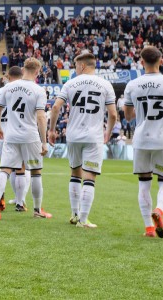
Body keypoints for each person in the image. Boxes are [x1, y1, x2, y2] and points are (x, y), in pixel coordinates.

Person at [47, 52, 117, 228]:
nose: (75, 68)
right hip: (93, 136)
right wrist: (108, 131)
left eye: (76, 65)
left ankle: (74, 214)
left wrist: (52, 130)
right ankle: (84, 220)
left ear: (83, 66)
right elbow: (113, 114)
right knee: (90, 177)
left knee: (75, 174)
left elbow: (56, 107)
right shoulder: (105, 84)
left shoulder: (70, 83)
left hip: (73, 135)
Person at [121, 46, 163, 238]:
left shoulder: (132, 85)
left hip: (141, 140)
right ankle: (159, 210)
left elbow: (129, 116)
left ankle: (149, 228)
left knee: (144, 184)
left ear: (141, 62)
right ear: (161, 61)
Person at [0, 58, 51, 220]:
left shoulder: (8, 87)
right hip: (30, 136)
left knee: (4, 170)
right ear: (37, 72)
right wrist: (44, 142)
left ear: (23, 69)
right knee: (36, 172)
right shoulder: (39, 90)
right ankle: (37, 210)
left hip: (11, 135)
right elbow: (41, 117)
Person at [0, 67, 28, 211]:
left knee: (4, 169)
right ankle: (20, 202)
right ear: (22, 74)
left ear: (7, 76)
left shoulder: (0, 91)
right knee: (21, 169)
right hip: (21, 133)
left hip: (3, 134)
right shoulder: (28, 89)